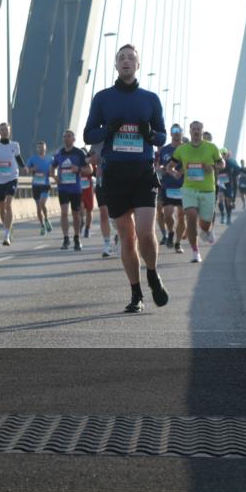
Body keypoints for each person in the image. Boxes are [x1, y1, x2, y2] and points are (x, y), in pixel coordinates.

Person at [83, 43, 168, 313]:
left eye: (131, 58)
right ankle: (136, 293)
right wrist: (108, 129)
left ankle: (152, 272)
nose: (126, 61)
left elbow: (162, 137)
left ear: (138, 65)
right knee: (128, 237)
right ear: (116, 65)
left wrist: (150, 135)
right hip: (115, 175)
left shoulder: (151, 99)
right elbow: (88, 135)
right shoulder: (102, 98)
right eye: (121, 58)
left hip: (142, 173)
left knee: (145, 232)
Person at [165, 120, 225, 263]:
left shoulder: (211, 148)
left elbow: (222, 163)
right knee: (190, 217)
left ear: (202, 132)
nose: (196, 131)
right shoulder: (182, 149)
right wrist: (174, 174)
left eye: (199, 129)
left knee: (204, 224)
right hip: (189, 189)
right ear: (190, 132)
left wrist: (212, 166)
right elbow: (169, 166)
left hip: (207, 190)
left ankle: (206, 230)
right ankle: (195, 252)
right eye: (194, 129)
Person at [50, 130, 90, 250]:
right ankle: (66, 238)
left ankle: (77, 238)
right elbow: (52, 166)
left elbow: (89, 170)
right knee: (63, 212)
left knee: (76, 214)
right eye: (64, 136)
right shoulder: (59, 153)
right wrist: (54, 177)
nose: (66, 138)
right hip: (63, 188)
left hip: (75, 189)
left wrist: (78, 169)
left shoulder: (79, 153)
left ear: (73, 139)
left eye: (69, 136)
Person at [157, 124, 186, 253]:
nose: (176, 133)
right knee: (167, 214)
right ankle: (171, 232)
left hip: (184, 186)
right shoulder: (164, 150)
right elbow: (159, 167)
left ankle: (178, 243)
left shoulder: (187, 149)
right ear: (170, 133)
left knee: (181, 216)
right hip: (168, 186)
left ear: (182, 133)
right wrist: (162, 170)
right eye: (174, 130)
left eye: (178, 131)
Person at [86, 144, 118, 258]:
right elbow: (89, 158)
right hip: (101, 182)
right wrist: (91, 160)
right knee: (104, 214)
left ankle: (120, 236)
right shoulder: (96, 142)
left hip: (118, 182)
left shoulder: (117, 137)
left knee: (117, 214)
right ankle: (107, 244)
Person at [26, 141, 54, 235]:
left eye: (42, 147)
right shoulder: (32, 158)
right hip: (36, 185)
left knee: (42, 203)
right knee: (38, 207)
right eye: (39, 147)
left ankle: (46, 219)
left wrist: (53, 173)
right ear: (37, 149)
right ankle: (42, 225)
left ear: (45, 148)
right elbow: (26, 169)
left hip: (45, 185)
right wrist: (31, 169)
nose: (40, 149)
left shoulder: (50, 159)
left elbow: (54, 170)